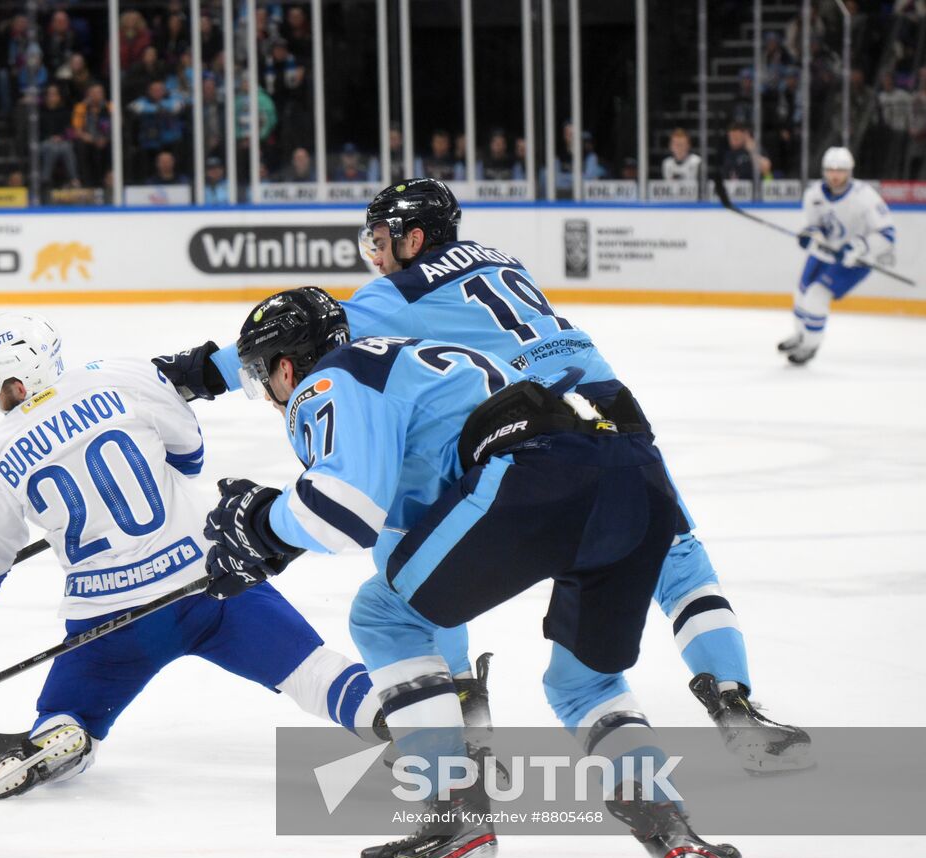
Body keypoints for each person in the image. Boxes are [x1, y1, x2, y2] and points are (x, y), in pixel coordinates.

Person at [152, 177, 812, 774]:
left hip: (529, 432)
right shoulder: (502, 259)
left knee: (404, 553)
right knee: (674, 546)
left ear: (413, 237)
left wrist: (194, 375)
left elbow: (298, 339)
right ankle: (732, 699)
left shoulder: (395, 291)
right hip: (608, 403)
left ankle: (460, 719)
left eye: (381, 240)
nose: (375, 255)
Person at [202, 287, 746, 858]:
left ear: (286, 365)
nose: (269, 395)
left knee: (382, 616)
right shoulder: (416, 358)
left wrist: (259, 521)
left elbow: (343, 515)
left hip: (540, 470)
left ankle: (455, 820)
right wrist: (280, 537)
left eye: (260, 376)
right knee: (583, 685)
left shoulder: (329, 379)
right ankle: (681, 840)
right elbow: (402, 534)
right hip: (632, 471)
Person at [0, 313, 382, 799]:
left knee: (68, 711)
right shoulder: (119, 376)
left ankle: (62, 732)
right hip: (209, 582)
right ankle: (412, 728)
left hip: (109, 618)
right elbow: (188, 457)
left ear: (17, 381)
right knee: (313, 671)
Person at [780, 147, 896, 365]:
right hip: (824, 253)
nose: (835, 175)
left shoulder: (865, 196)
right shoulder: (814, 194)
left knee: (816, 295)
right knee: (801, 292)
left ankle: (811, 345)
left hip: (855, 260)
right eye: (831, 170)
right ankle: (801, 334)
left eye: (841, 170)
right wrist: (809, 235)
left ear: (850, 171)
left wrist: (858, 247)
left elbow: (887, 234)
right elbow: (815, 226)